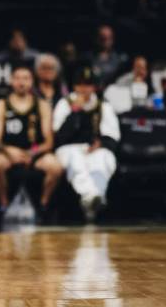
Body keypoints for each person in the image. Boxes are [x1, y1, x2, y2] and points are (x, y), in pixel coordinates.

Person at [0, 65, 62, 215]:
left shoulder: (42, 105)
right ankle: (4, 204)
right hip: (8, 151)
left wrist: (32, 153)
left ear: (32, 82)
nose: (21, 82)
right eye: (17, 78)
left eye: (26, 78)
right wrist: (10, 151)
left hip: (35, 151)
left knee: (55, 167)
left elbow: (49, 141)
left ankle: (43, 204)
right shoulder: (1, 105)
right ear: (11, 81)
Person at [53, 67, 120, 222]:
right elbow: (59, 137)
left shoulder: (103, 106)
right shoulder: (65, 103)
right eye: (80, 84)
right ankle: (92, 197)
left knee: (104, 159)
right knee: (76, 160)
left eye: (88, 85)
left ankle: (92, 199)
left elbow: (113, 136)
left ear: (94, 87)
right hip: (69, 147)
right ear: (74, 86)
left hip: (95, 148)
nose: (84, 89)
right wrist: (76, 110)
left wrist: (100, 144)